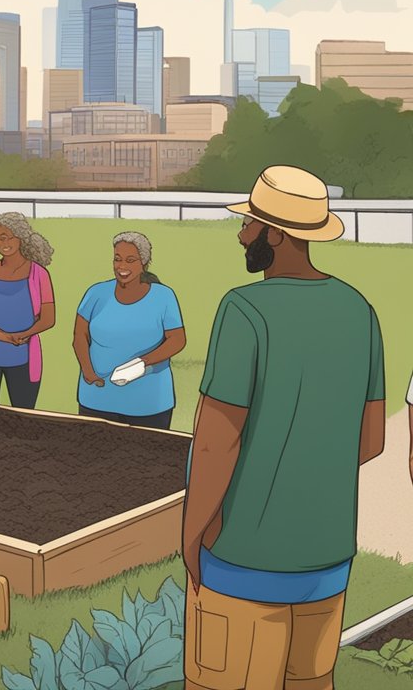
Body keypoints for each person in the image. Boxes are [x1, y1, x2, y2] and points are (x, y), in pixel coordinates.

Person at [182, 166, 386, 690]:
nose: (241, 234)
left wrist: (191, 534)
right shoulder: (360, 311)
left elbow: (216, 441)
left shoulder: (244, 310)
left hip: (241, 562)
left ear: (276, 234)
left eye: (250, 225)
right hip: (327, 560)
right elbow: (371, 440)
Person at [72, 232, 187, 430]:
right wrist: (88, 372)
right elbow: (79, 336)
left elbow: (177, 339)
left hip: (149, 404)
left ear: (143, 262)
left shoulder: (163, 297)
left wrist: (142, 363)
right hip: (97, 400)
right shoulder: (96, 293)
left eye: (130, 260)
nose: (121, 266)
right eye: (117, 259)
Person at [0, 213, 56, 409]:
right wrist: (7, 338)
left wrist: (24, 334)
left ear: (20, 236)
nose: (0, 244)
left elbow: (48, 318)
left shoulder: (39, 274)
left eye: (5, 237)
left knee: (23, 418)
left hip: (24, 362)